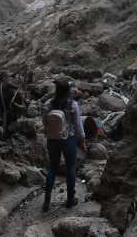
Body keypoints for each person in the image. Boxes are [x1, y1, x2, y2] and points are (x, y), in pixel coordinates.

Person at [42, 80, 87, 212]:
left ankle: (46, 201)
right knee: (71, 168)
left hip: (52, 140)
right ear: (68, 91)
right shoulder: (72, 104)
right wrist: (82, 141)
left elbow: (44, 122)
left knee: (52, 169)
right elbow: (78, 126)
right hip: (68, 139)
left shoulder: (48, 104)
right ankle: (70, 200)